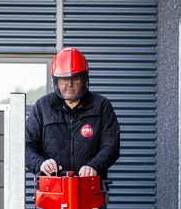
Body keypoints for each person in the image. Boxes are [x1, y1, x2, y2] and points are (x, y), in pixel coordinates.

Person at [25, 47, 120, 182]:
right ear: (56, 81)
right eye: (64, 79)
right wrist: (40, 164)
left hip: (90, 187)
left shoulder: (101, 106)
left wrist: (94, 166)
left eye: (75, 79)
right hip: (51, 189)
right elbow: (26, 146)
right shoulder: (43, 107)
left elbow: (111, 146)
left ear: (84, 79)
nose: (69, 84)